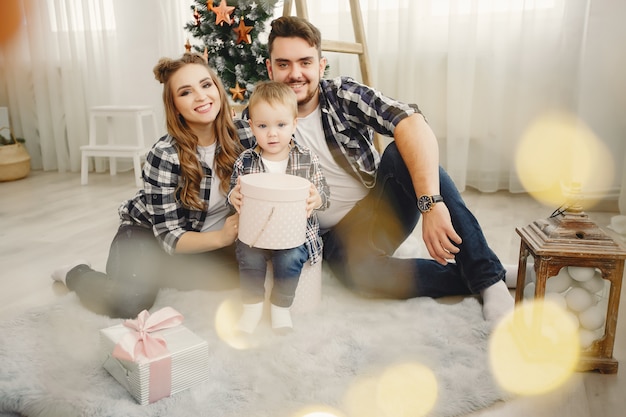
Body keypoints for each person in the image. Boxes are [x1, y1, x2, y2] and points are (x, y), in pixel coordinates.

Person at [235, 16, 514, 323]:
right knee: (364, 278)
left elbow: (412, 122)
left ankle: (488, 280)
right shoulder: (253, 121)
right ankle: (485, 270)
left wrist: (431, 204)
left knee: (401, 151)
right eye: (284, 64)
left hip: (378, 208)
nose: (295, 73)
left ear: (321, 65)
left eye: (305, 62)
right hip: (327, 238)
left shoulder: (342, 95)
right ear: (269, 68)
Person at [51, 53, 254, 319]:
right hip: (146, 233)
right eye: (186, 92)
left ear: (217, 88)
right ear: (175, 106)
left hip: (195, 239)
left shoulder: (245, 134)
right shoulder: (165, 154)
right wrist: (222, 238)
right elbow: (169, 236)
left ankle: (158, 272)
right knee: (128, 302)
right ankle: (75, 272)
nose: (201, 97)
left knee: (246, 276)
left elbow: (285, 157)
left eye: (206, 85)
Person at [228, 81, 330, 334]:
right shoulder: (246, 160)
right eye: (263, 126)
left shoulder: (307, 158)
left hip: (295, 234)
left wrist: (317, 199)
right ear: (251, 127)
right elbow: (235, 189)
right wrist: (234, 196)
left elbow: (324, 195)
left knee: (292, 257)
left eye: (281, 125)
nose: (272, 134)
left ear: (294, 124)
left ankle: (280, 306)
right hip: (258, 232)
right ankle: (252, 307)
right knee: (247, 255)